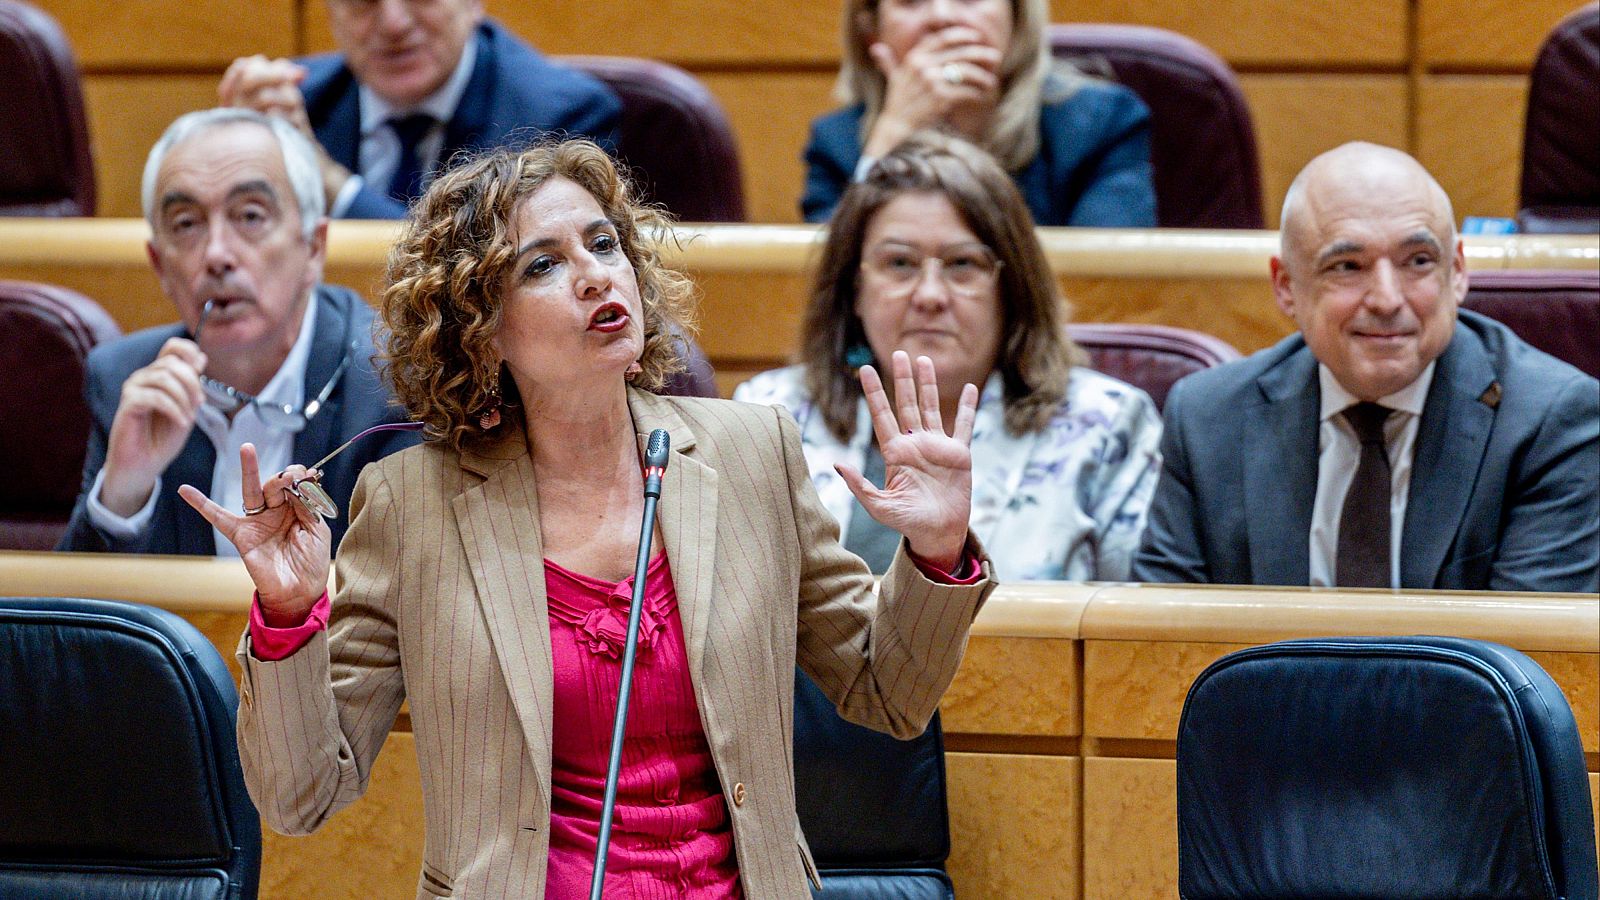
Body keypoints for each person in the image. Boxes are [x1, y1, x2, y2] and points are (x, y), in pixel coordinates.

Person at [178, 140, 996, 898]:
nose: (597, 277)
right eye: (543, 265)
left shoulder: (753, 455)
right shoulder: (411, 508)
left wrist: (932, 552)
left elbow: (888, 691)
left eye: (605, 246)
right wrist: (288, 618)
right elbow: (302, 796)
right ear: (481, 329)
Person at [1134, 142, 1600, 591]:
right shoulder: (1206, 419)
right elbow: (1156, 643)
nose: (1386, 299)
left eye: (1417, 261)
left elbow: (1532, 657)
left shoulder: (1550, 422)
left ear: (1456, 273)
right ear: (1285, 286)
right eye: (1347, 266)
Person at [743, 132, 1162, 581]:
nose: (929, 295)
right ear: (854, 290)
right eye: (900, 264)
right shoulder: (771, 414)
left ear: (1011, 289)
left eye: (963, 264)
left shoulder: (1107, 423)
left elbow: (1135, 634)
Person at [57, 108, 418, 556]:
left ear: (313, 247)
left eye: (249, 216)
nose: (217, 254)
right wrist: (124, 493)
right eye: (186, 224)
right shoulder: (122, 381)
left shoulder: (395, 381)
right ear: (159, 266)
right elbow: (73, 619)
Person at [218, 0, 620, 219]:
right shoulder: (292, 108)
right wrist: (239, 149)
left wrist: (334, 189)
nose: (393, 22)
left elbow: (485, 281)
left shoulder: (558, 120)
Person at [801, 0, 1156, 227]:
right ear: (870, 31)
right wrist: (890, 140)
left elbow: (1107, 283)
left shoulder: (1102, 126)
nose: (941, 16)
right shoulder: (838, 145)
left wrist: (982, 143)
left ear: (1016, 17)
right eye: (910, 1)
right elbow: (830, 300)